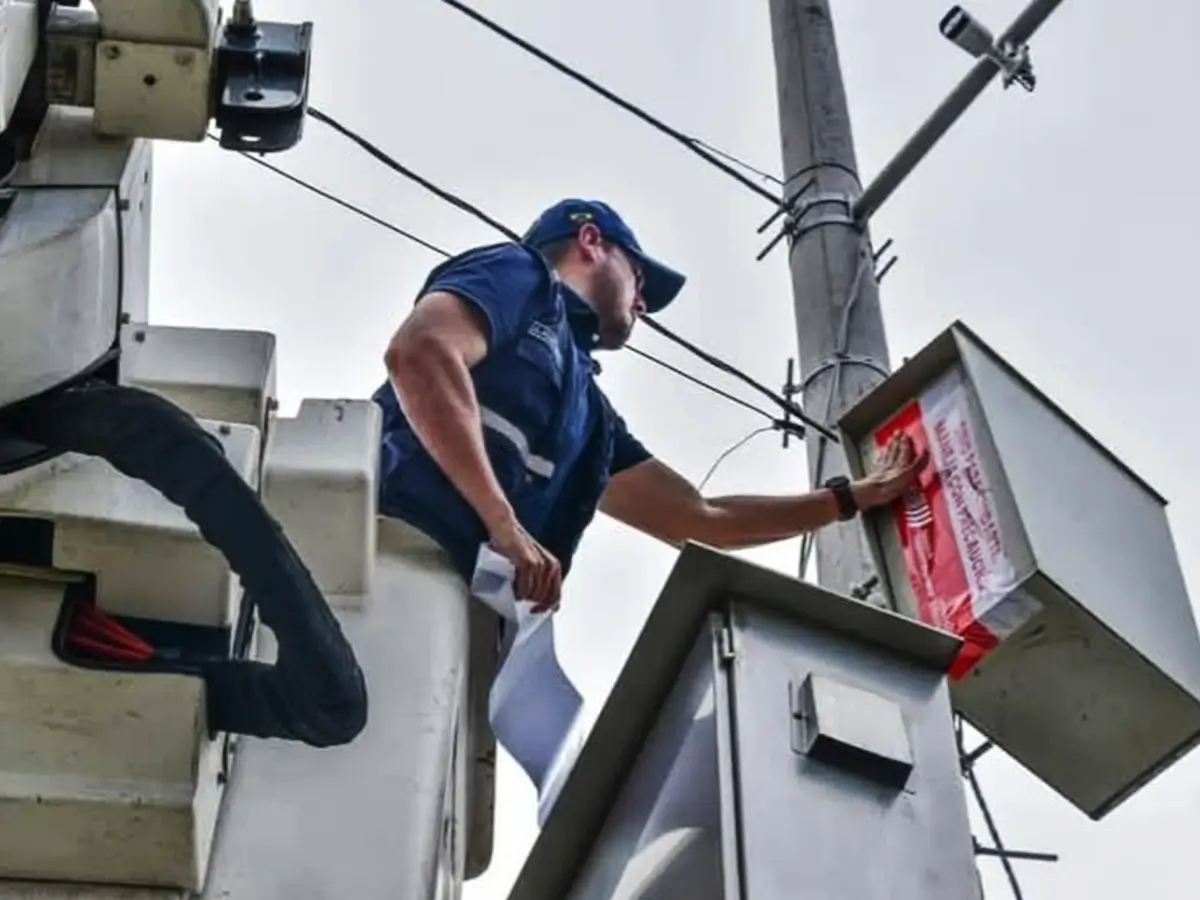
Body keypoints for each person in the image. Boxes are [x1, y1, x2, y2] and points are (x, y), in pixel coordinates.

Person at [371, 198, 924, 613]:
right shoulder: (522, 278)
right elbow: (421, 353)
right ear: (591, 241)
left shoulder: (590, 417)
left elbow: (702, 520)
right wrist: (503, 523)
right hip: (386, 556)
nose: (641, 303)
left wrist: (851, 497)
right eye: (638, 278)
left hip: (465, 618)